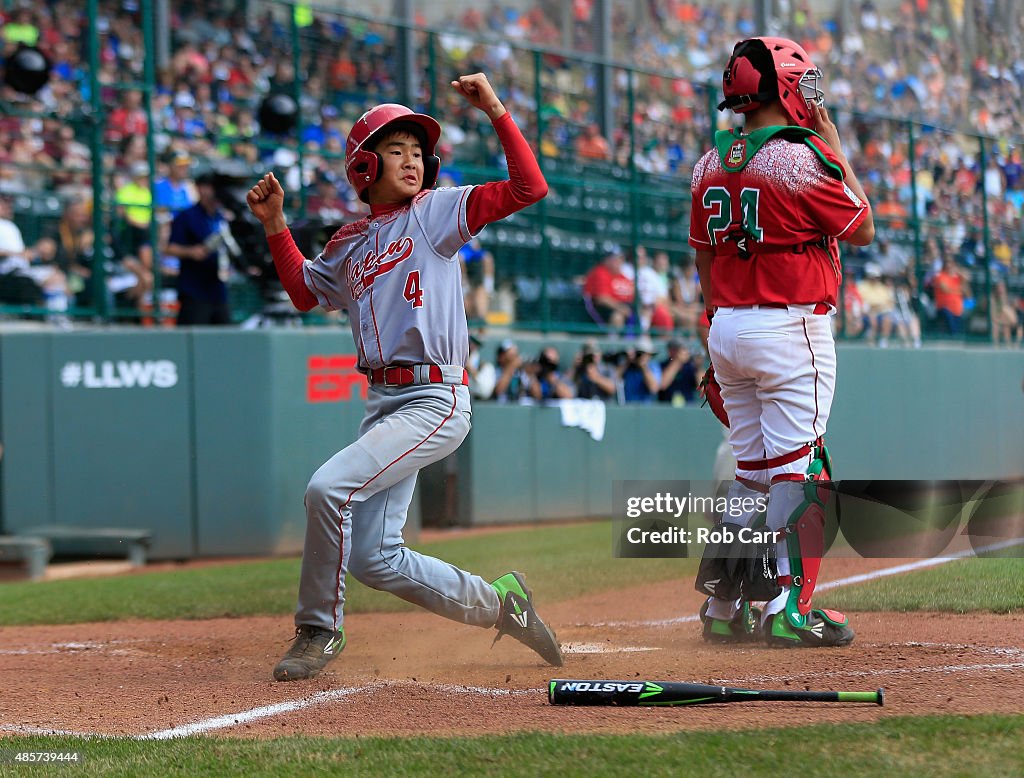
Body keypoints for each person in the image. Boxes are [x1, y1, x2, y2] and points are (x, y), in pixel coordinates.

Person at [245, 73, 562, 681]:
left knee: (326, 488)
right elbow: (307, 293)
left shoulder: (435, 214)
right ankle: (503, 603)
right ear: (363, 167)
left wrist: (495, 109)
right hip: (384, 401)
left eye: (419, 151)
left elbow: (530, 186)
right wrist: (275, 225)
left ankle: (316, 630)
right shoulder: (350, 241)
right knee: (375, 559)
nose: (412, 160)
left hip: (434, 395)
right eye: (396, 150)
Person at [689, 37, 873, 647]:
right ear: (785, 89)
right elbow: (862, 224)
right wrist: (837, 148)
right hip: (789, 325)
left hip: (728, 324)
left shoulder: (707, 162)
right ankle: (789, 608)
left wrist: (717, 326)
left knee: (750, 473)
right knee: (802, 471)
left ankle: (724, 606)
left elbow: (702, 256)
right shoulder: (799, 159)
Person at [165, 171, 238, 325]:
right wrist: (191, 252)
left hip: (218, 289)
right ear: (200, 188)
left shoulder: (222, 217)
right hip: (195, 289)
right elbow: (169, 248)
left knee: (225, 338)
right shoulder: (187, 216)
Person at [582, 248, 634, 332]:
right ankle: (614, 342)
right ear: (606, 260)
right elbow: (602, 299)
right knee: (618, 316)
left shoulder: (621, 276)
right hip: (602, 309)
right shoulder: (600, 272)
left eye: (620, 259)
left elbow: (632, 296)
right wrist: (622, 308)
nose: (619, 262)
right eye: (615, 259)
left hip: (623, 306)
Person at [658, 339, 699, 404]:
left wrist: (698, 366)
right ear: (670, 351)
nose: (681, 352)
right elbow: (662, 384)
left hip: (688, 407)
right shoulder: (662, 365)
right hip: (666, 406)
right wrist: (678, 361)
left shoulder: (690, 366)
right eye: (677, 349)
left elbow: (702, 389)